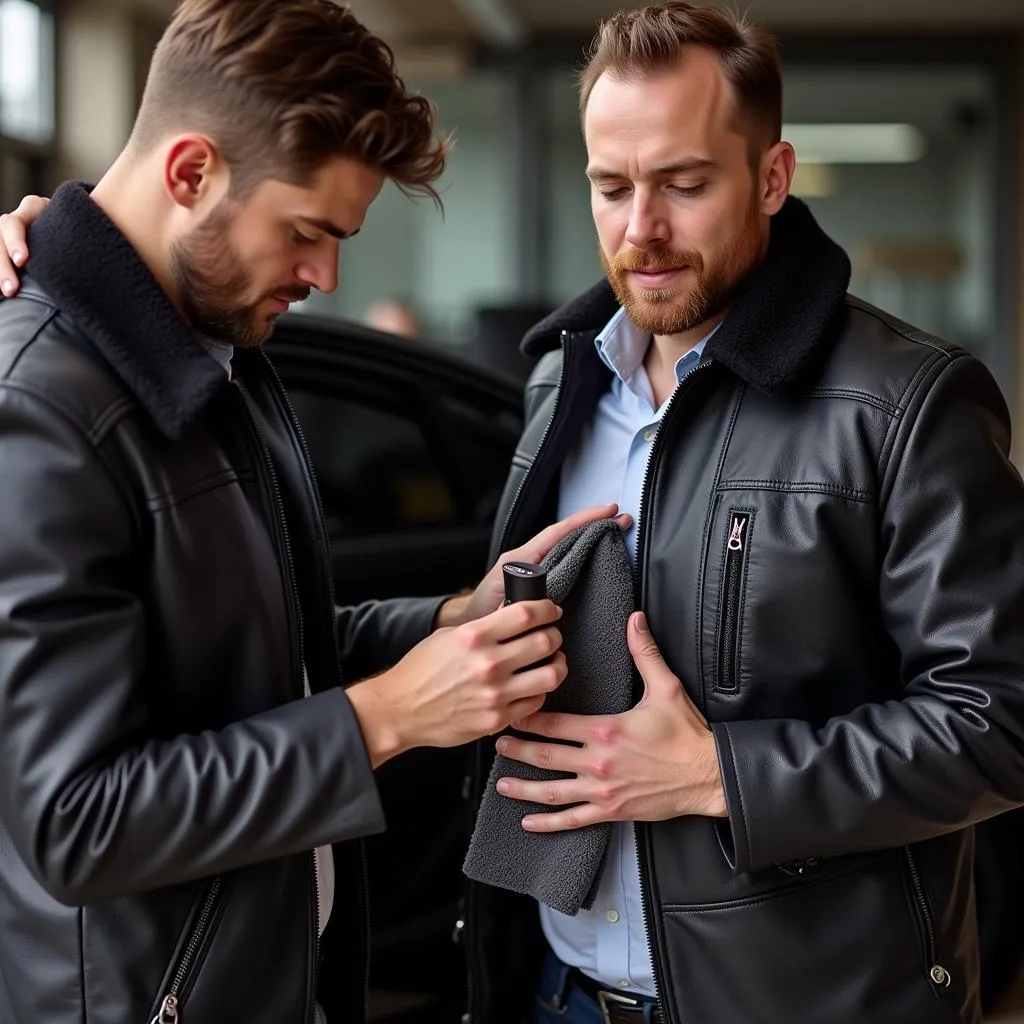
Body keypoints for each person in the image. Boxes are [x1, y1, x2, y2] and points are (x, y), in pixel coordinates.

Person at [0, 2, 623, 1022]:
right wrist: (385, 717)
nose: (326, 277)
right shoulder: (35, 409)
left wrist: (446, 627)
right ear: (190, 171)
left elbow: (253, 659)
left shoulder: (223, 359)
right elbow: (78, 821)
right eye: (307, 232)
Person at [454, 5, 1024, 1024]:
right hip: (557, 990)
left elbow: (1000, 720)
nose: (642, 229)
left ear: (770, 177)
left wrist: (720, 772)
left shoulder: (910, 402)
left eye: (683, 184)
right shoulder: (558, 383)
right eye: (610, 187)